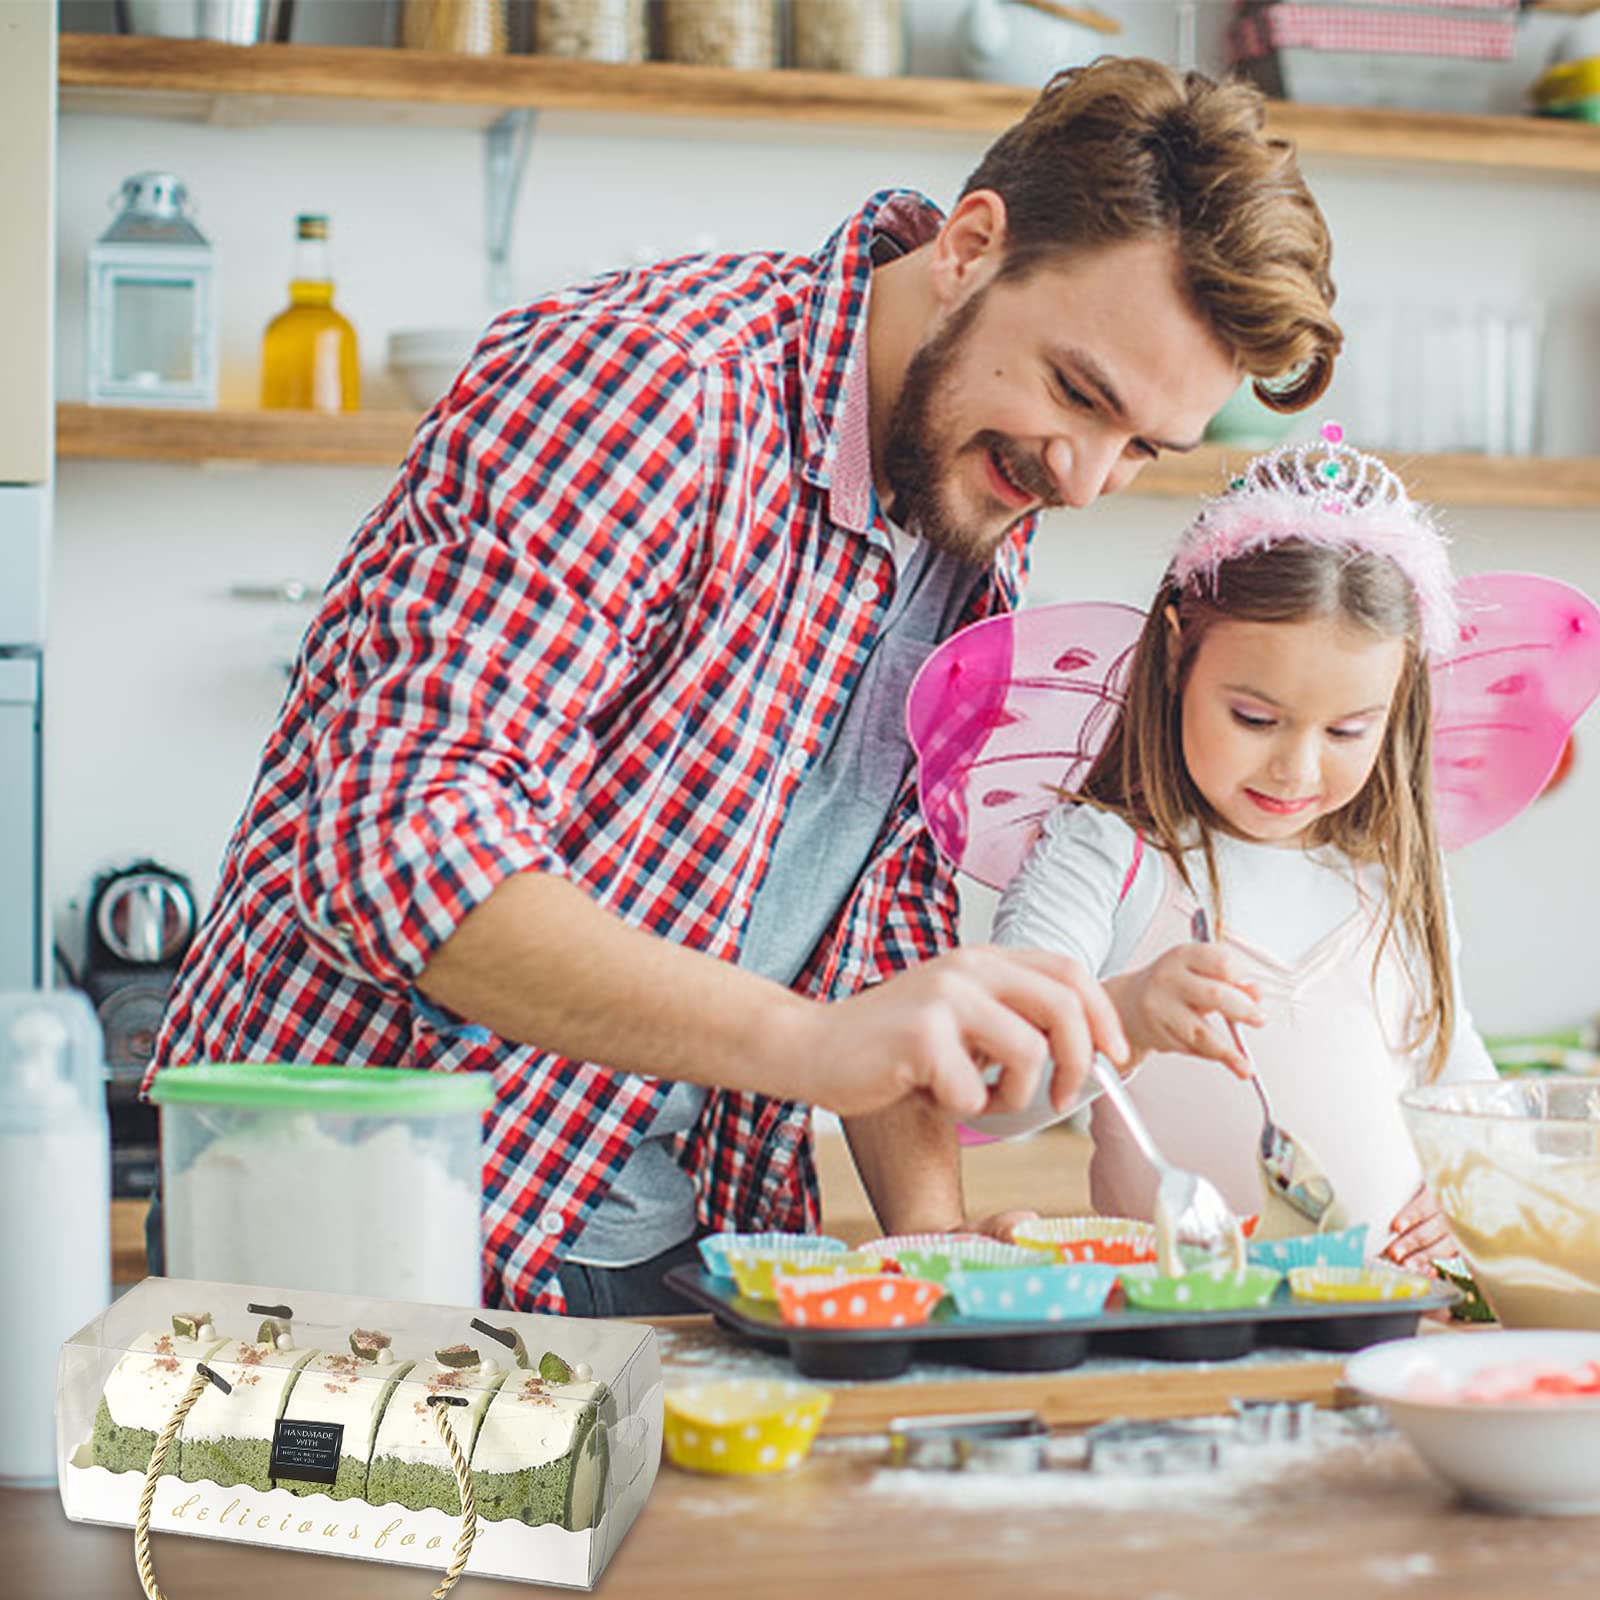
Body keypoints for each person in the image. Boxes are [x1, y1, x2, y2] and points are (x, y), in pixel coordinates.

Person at [144, 56, 1342, 1314]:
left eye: (1143, 448)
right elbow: (398, 845)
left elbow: (877, 928)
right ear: (973, 245)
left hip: (674, 1237)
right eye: (1080, 394)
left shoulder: (979, 480)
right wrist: (809, 1048)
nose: (1088, 474)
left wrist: (937, 1247)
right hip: (354, 1226)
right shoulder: (649, 388)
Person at [968, 428, 1498, 1268]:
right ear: (1179, 651)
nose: (1296, 766)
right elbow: (992, 1097)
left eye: (1349, 729)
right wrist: (1128, 1018)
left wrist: (1472, 1178)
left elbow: (1457, 1074)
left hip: (1380, 1312)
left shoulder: (1391, 872)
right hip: (1174, 1326)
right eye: (1254, 718)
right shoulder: (1107, 858)